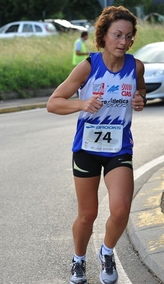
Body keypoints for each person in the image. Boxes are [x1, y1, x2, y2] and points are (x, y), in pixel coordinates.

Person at [47, 6, 146, 284]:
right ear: (103, 36)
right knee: (88, 214)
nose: (123, 42)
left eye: (128, 36)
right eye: (117, 35)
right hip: (87, 149)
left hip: (119, 149)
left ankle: (107, 251)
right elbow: (53, 103)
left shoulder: (136, 66)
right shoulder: (88, 66)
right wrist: (82, 103)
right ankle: (78, 260)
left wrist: (140, 100)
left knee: (120, 210)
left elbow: (141, 90)